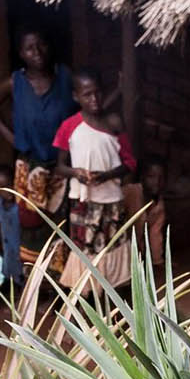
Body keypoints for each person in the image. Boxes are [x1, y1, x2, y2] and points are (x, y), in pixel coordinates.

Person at [52, 69, 137, 290]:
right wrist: (77, 173)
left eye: (98, 93)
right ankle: (87, 298)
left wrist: (106, 176)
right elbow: (59, 167)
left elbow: (130, 163)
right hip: (83, 202)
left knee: (114, 247)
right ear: (76, 97)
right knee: (85, 250)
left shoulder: (114, 122)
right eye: (87, 95)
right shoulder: (69, 127)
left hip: (112, 200)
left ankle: (113, 297)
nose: (94, 100)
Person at [0, 30, 74, 233]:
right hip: (30, 166)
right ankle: (38, 265)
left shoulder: (64, 77)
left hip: (64, 165)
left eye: (41, 45)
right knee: (33, 226)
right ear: (21, 54)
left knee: (65, 224)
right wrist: (11, 137)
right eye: (29, 48)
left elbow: (88, 101)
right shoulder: (15, 83)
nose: (37, 52)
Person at [0, 160, 23, 290]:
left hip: (20, 248)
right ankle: (14, 290)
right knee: (10, 270)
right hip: (8, 247)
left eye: (10, 186)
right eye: (3, 189)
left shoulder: (19, 207)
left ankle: (23, 297)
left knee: (23, 274)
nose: (8, 191)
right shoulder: (1, 203)